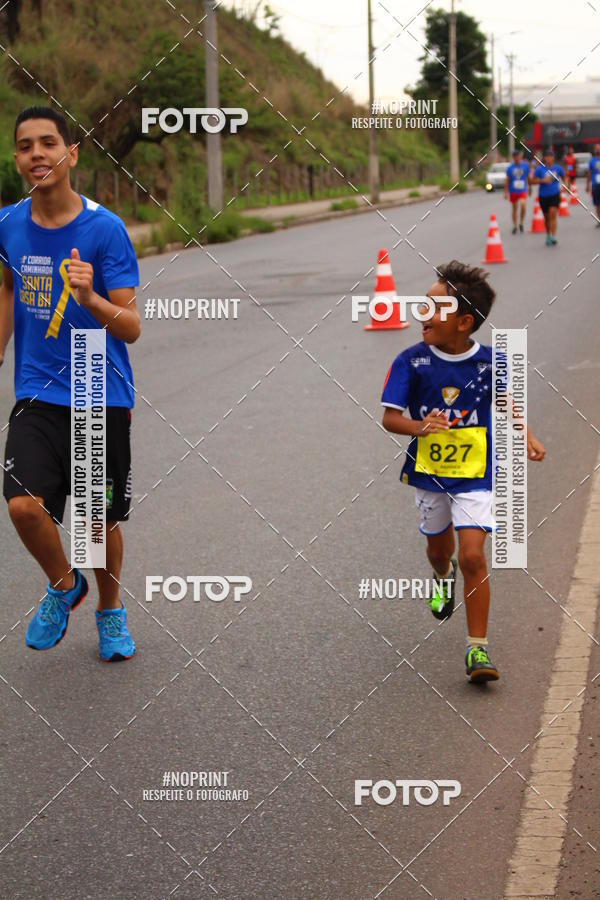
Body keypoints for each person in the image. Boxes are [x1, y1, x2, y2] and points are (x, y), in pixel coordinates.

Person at [0, 106, 141, 661]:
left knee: (92, 523)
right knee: (22, 506)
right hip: (37, 390)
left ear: (71, 153)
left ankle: (110, 609)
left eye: (48, 142)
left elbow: (131, 326)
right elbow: (6, 288)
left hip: (95, 384)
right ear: (17, 159)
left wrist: (90, 299)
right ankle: (64, 584)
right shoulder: (8, 224)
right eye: (25, 146)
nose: (37, 153)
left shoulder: (104, 229)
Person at [381, 261, 545, 682]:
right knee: (441, 552)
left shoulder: (491, 362)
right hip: (430, 474)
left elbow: (504, 400)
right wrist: (420, 426)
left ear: (464, 322)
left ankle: (477, 650)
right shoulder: (410, 362)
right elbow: (390, 418)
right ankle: (441, 575)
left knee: (473, 555)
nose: (423, 313)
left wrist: (526, 434)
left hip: (476, 475)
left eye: (435, 307)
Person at [530, 147, 564, 245]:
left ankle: (553, 236)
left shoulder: (558, 168)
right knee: (547, 217)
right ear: (544, 158)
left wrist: (565, 186)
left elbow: (565, 177)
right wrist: (542, 180)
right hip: (543, 196)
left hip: (555, 195)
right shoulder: (540, 169)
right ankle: (548, 235)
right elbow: (532, 181)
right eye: (547, 156)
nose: (549, 158)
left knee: (553, 214)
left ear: (553, 158)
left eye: (551, 156)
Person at [504, 148, 530, 234]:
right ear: (513, 157)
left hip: (522, 190)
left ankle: (521, 222)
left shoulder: (525, 166)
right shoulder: (510, 168)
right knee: (514, 208)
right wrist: (506, 192)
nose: (516, 158)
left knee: (523, 205)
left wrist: (530, 187)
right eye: (514, 156)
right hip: (513, 190)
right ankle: (515, 225)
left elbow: (528, 178)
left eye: (517, 156)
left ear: (520, 156)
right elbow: (507, 180)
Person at [585, 142, 600, 227]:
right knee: (597, 204)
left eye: (599, 148)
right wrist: (587, 185)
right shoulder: (592, 161)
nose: (598, 149)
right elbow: (589, 173)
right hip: (595, 185)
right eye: (596, 148)